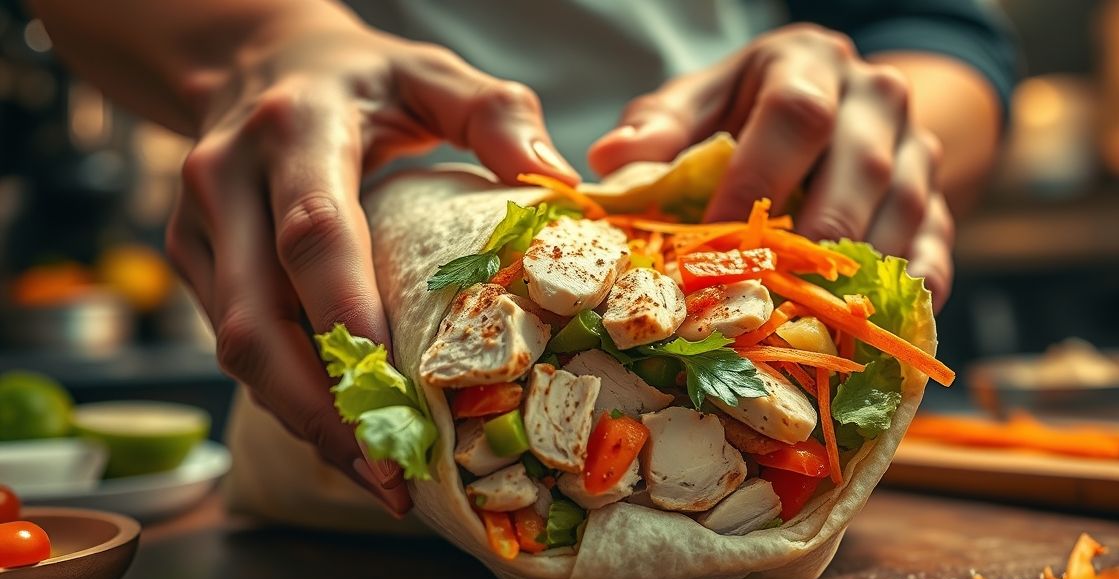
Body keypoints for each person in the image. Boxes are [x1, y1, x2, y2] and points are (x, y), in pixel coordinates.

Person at [30, 0, 1015, 518]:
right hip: (347, 229)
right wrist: (260, 41)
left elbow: (934, 30)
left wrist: (867, 130)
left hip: (743, 244)